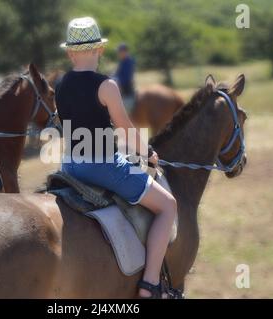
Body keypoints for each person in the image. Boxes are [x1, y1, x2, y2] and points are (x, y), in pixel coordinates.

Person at [57, 17, 177, 298]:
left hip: (69, 164)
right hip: (103, 167)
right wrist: (148, 153)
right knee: (168, 205)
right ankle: (149, 284)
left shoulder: (61, 85)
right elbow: (125, 127)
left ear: (70, 53)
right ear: (99, 49)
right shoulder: (106, 86)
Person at [114, 43, 135, 113]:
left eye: (119, 52)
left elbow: (126, 78)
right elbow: (117, 74)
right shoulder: (123, 61)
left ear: (124, 52)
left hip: (125, 90)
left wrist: (116, 81)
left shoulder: (128, 62)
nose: (118, 54)